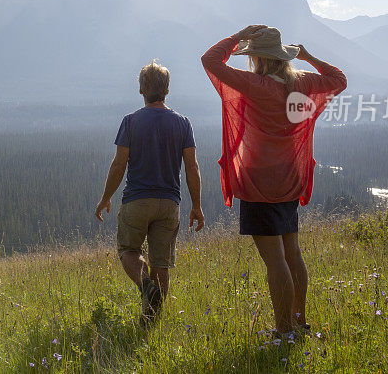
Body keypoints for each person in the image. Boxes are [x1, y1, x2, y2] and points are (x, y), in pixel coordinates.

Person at [201, 25, 346, 336]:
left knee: (275, 260)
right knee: (292, 252)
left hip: (259, 182)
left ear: (259, 60)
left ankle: (283, 330)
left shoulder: (254, 84)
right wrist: (308, 57)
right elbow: (339, 80)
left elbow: (210, 60)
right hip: (290, 178)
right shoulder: (303, 84)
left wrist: (236, 35)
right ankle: (298, 320)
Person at [95, 60, 205, 325]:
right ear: (166, 91)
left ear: (141, 90)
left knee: (128, 251)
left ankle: (146, 287)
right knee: (161, 263)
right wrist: (197, 206)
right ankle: (150, 323)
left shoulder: (130, 121)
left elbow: (119, 163)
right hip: (170, 203)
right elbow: (192, 166)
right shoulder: (183, 123)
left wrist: (106, 197)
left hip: (137, 200)